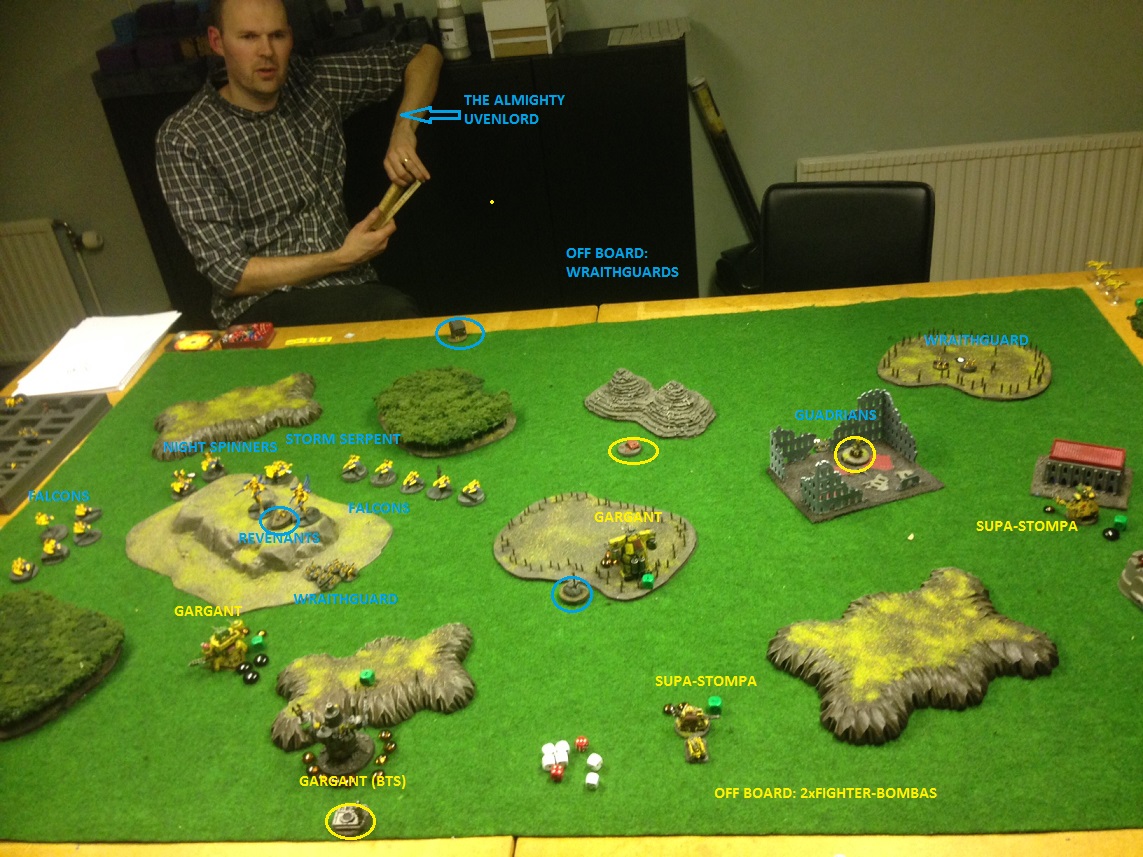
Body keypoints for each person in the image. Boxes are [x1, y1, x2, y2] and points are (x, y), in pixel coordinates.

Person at [156, 0, 442, 327]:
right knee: (390, 310)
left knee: (414, 296)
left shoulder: (313, 83)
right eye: (249, 37)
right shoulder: (186, 136)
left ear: (291, 38)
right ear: (217, 42)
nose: (267, 51)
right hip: (261, 306)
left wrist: (404, 128)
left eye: (277, 35)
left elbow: (425, 55)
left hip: (350, 286)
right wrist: (340, 258)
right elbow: (231, 275)